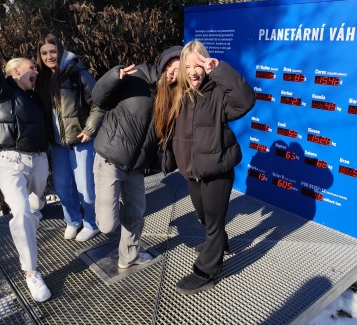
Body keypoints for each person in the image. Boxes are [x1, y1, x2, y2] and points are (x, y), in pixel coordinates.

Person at [0, 4, 51, 302]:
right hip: (11, 163)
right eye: (32, 67)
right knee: (21, 213)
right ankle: (31, 272)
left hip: (39, 161)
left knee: (35, 204)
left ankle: (31, 215)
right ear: (16, 71)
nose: (36, 71)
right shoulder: (1, 92)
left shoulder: (34, 97)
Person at [162, 40, 256, 294]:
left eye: (198, 66)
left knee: (214, 222)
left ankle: (207, 270)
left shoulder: (217, 93)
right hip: (192, 170)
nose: (193, 72)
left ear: (206, 65)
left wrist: (219, 70)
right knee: (204, 216)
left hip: (217, 169)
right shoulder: (179, 93)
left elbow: (246, 101)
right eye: (187, 67)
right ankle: (219, 242)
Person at [91, 46, 182, 269]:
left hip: (136, 166)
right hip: (111, 158)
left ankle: (128, 257)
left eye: (179, 70)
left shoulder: (174, 96)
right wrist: (114, 77)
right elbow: (98, 98)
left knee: (136, 214)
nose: (173, 72)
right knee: (107, 225)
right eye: (171, 66)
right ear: (163, 62)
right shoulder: (137, 76)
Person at [35, 34, 105, 241]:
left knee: (86, 187)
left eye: (53, 51)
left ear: (61, 50)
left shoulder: (77, 72)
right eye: (44, 53)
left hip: (81, 141)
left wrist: (90, 129)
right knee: (63, 187)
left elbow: (99, 102)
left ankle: (92, 223)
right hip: (57, 144)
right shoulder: (41, 77)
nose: (49, 56)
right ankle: (73, 220)